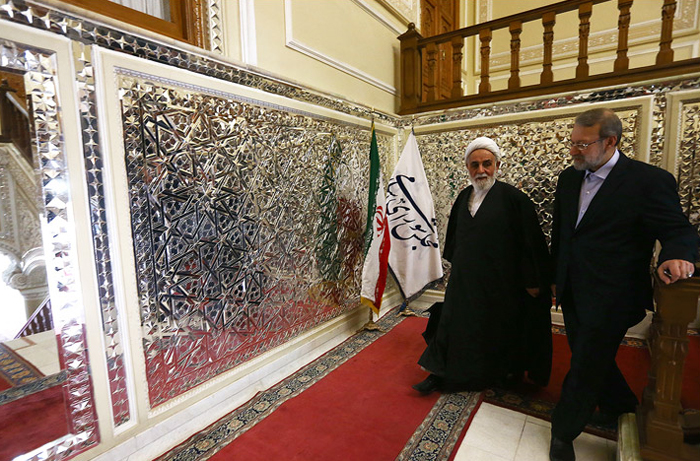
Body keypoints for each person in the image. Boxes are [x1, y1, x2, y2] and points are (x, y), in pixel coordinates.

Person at [549, 108, 699, 461]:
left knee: (586, 361)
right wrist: (554, 277)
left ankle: (563, 432)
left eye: (582, 144)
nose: (573, 150)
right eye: (572, 142)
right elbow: (562, 233)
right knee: (587, 351)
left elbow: (678, 229)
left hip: (613, 293)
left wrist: (676, 256)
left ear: (610, 142)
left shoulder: (648, 181)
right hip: (573, 288)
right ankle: (620, 404)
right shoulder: (569, 178)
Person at [413, 136, 552, 394]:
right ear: (467, 167)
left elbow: (529, 244)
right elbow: (455, 238)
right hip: (465, 280)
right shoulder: (464, 197)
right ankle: (441, 373)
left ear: (497, 165)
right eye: (474, 165)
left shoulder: (514, 199)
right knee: (453, 324)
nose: (481, 170)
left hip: (501, 283)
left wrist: (532, 281)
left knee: (496, 332)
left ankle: (497, 375)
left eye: (487, 164)